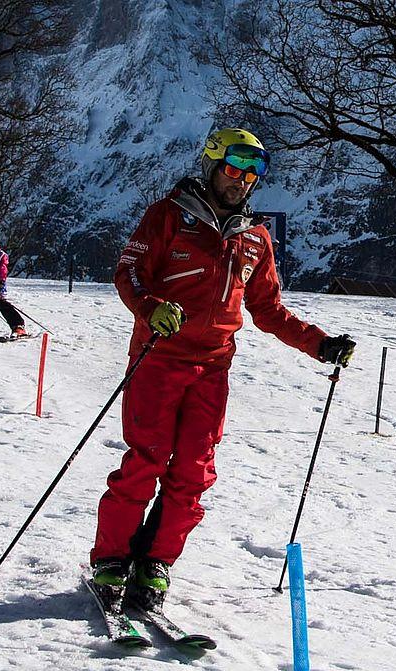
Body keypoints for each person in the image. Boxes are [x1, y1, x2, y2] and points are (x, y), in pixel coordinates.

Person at [89, 128, 356, 607]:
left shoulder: (255, 239)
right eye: (234, 168)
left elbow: (270, 310)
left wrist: (321, 345)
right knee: (145, 462)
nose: (243, 180)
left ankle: (155, 565)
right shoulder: (168, 216)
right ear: (212, 163)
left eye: (254, 173)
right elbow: (128, 273)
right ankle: (111, 562)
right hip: (159, 359)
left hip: (212, 370)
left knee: (193, 472)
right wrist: (150, 308)